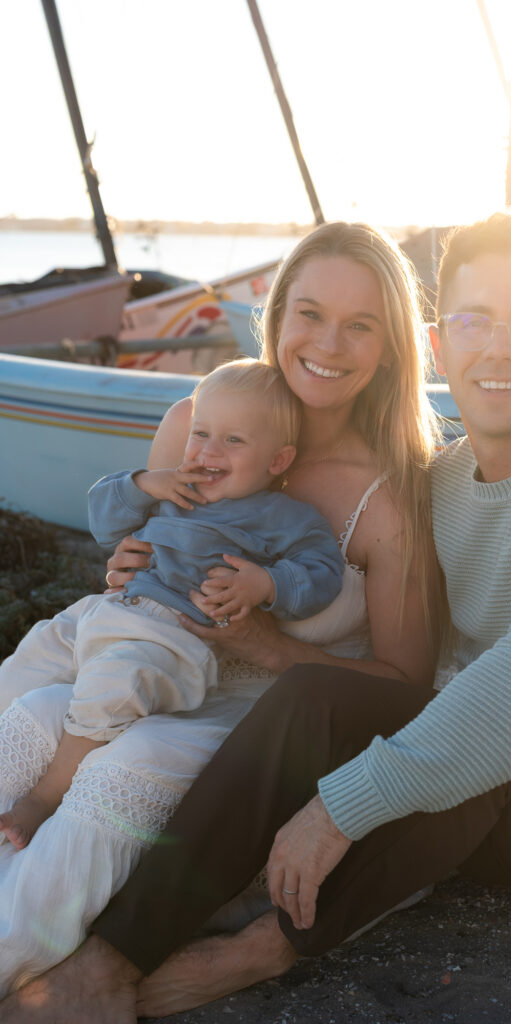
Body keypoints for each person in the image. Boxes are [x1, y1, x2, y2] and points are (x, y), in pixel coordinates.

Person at [9, 208, 511, 1024]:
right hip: (477, 811)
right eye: (474, 320)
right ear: (438, 346)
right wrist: (156, 555)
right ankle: (116, 950)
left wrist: (341, 807)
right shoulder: (443, 478)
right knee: (322, 699)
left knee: (483, 718)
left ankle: (236, 952)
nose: (498, 347)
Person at [0, 221, 440, 1003]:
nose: (328, 341)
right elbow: (144, 529)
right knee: (33, 710)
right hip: (144, 657)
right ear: (274, 314)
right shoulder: (198, 422)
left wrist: (268, 644)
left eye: (361, 323)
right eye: (309, 312)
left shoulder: (389, 493)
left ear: (390, 345)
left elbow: (405, 683)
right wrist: (127, 564)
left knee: (122, 765)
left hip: (258, 720)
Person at [0, 358, 345, 850]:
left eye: (233, 440)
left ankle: (43, 799)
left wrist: (266, 584)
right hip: (112, 608)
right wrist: (145, 483)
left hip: (171, 638)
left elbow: (322, 572)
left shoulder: (282, 516)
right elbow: (101, 516)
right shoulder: (173, 486)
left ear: (278, 461)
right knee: (34, 652)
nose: (208, 451)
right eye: (201, 433)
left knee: (111, 687)